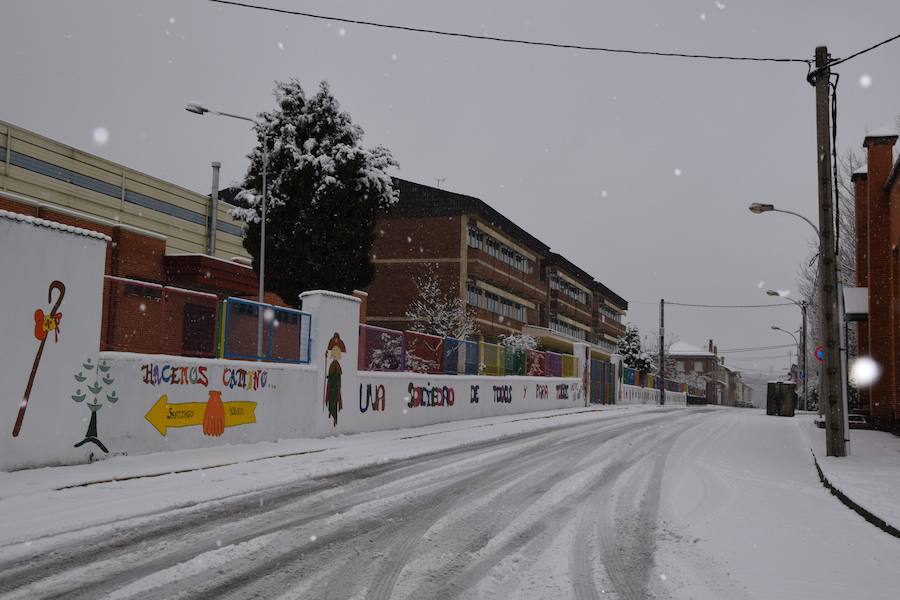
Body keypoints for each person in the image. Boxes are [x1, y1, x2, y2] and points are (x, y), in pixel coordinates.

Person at [324, 333, 346, 426]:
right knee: (331, 400)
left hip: (335, 387)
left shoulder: (337, 365)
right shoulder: (332, 364)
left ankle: (334, 416)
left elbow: (337, 376)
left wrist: (332, 378)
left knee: (334, 400)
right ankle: (331, 413)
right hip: (332, 386)